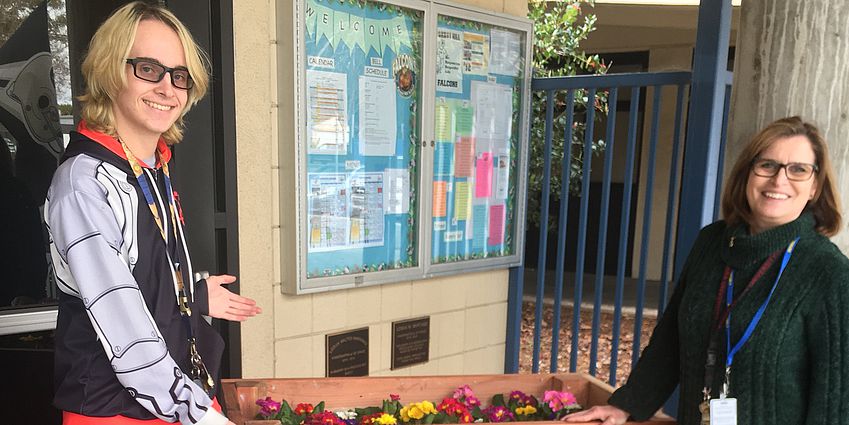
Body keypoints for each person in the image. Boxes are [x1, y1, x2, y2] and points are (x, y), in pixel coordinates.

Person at [45, 3, 261, 424]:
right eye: (148, 68)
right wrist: (203, 415)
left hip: (174, 394)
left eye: (179, 76)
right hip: (119, 412)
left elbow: (136, 276)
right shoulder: (84, 183)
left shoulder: (153, 165)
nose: (168, 88)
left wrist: (193, 296)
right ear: (111, 71)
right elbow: (124, 331)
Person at [565, 116, 849, 424]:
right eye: (767, 165)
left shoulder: (828, 271)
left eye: (798, 169)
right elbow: (672, 338)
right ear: (747, 174)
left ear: (814, 187)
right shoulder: (712, 242)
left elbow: (835, 399)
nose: (779, 180)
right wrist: (627, 404)